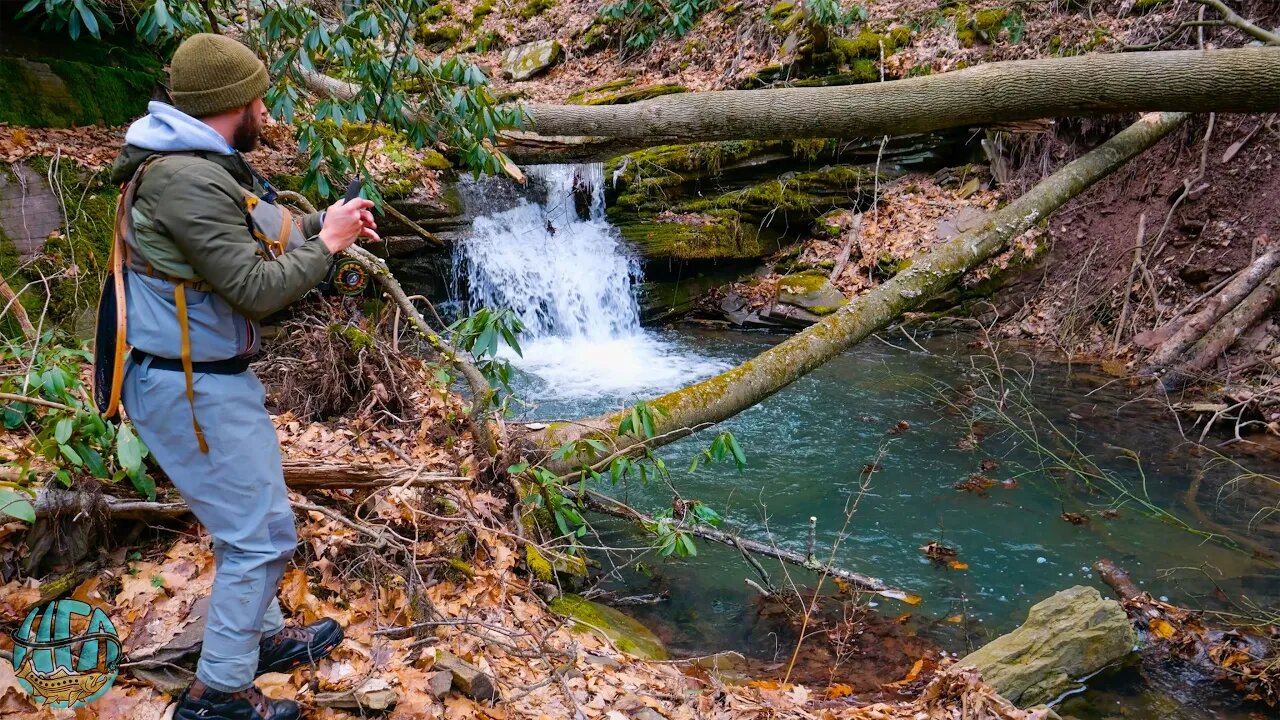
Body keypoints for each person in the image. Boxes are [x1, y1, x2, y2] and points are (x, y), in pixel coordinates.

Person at [105, 33, 378, 720]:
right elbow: (256, 288)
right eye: (259, 96)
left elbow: (266, 226)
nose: (266, 109)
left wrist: (326, 222)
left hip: (203, 376)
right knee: (259, 536)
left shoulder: (197, 162)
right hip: (186, 386)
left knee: (253, 525)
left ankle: (256, 639)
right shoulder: (184, 177)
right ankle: (218, 693)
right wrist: (330, 246)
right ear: (233, 102)